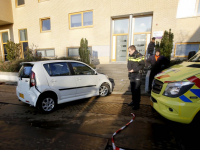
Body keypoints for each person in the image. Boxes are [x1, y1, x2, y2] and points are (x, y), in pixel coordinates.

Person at [127, 45, 145, 110]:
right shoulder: (130, 55)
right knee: (132, 89)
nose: (129, 52)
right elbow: (129, 63)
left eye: (129, 51)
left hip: (137, 74)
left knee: (136, 90)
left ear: (133, 50)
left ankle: (137, 104)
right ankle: (133, 101)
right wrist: (129, 70)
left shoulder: (139, 55)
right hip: (132, 74)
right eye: (128, 51)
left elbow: (142, 65)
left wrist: (134, 70)